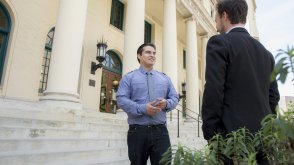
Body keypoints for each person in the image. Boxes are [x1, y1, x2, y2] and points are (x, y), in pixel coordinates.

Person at [201, 0, 280, 163]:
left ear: (224, 16)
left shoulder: (219, 43)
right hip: (263, 141)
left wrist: (212, 134)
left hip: (232, 142)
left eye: (216, 18)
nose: (215, 25)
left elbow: (213, 91)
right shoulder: (267, 54)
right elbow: (273, 98)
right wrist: (265, 130)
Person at [116, 43, 179, 165]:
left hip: (161, 131)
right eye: (148, 52)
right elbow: (121, 99)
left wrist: (166, 103)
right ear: (139, 56)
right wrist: (143, 108)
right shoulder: (129, 78)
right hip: (137, 132)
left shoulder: (165, 78)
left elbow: (175, 97)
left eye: (154, 53)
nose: (152, 55)